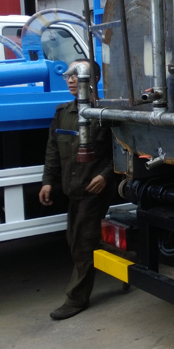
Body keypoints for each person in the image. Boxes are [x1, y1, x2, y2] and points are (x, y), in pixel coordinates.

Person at [39, 59, 115, 320]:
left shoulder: (105, 113)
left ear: (94, 80)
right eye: (68, 75)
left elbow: (123, 149)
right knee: (75, 240)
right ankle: (127, 258)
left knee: (82, 244)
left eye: (77, 74)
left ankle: (76, 300)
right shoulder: (63, 112)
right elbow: (53, 150)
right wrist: (47, 181)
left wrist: (105, 176)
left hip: (94, 191)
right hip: (72, 188)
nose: (71, 79)